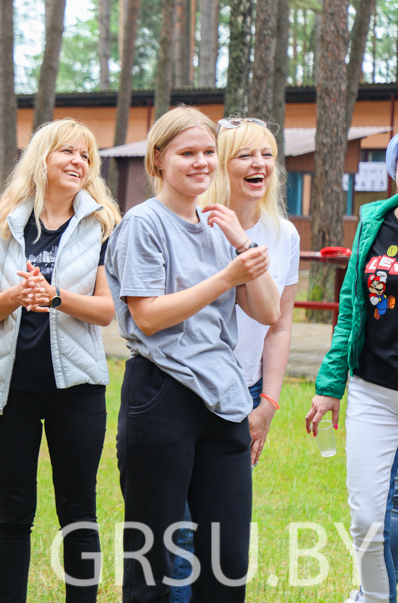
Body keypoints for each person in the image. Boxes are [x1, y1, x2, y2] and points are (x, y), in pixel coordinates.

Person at [104, 106, 280, 603]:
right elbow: (149, 316)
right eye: (188, 153)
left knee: (227, 557)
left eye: (208, 152)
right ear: (159, 160)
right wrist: (226, 277)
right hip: (162, 394)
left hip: (224, 400)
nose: (201, 162)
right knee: (155, 554)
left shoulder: (219, 225)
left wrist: (242, 245)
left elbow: (266, 311)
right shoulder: (143, 224)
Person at [0, 119, 120, 602]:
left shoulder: (101, 226)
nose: (78, 162)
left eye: (86, 156)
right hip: (10, 389)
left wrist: (56, 296)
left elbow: (106, 311)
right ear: (43, 159)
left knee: (78, 510)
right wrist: (17, 295)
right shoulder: (3, 224)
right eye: (68, 152)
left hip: (76, 390)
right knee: (13, 511)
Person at [169, 117, 300, 603]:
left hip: (242, 393)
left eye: (267, 154)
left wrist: (267, 401)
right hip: (183, 388)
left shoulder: (282, 234)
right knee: (178, 527)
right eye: (245, 154)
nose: (259, 164)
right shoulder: (192, 221)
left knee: (222, 530)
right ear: (222, 162)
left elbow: (279, 324)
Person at [307, 132, 398, 603]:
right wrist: (330, 385)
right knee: (366, 514)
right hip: (374, 389)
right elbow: (350, 309)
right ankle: (374, 596)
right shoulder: (373, 224)